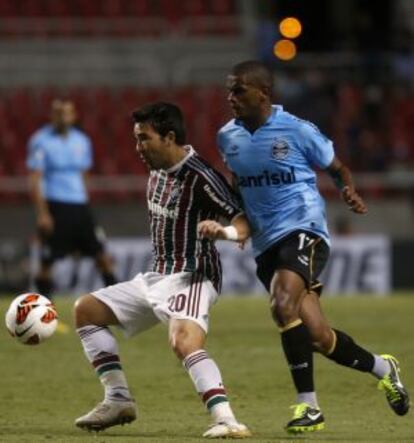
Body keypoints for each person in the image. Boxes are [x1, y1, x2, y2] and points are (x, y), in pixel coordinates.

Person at [198, 60, 410, 434]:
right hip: (265, 242)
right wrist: (238, 223)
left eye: (238, 90)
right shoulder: (226, 136)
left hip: (304, 228)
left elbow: (337, 166)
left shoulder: (296, 129)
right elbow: (238, 183)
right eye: (228, 90)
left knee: (282, 305)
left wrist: (348, 189)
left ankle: (308, 407)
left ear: (263, 93)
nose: (230, 97)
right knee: (317, 336)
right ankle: (383, 368)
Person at [73, 102, 251, 439]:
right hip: (157, 276)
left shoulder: (201, 177)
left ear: (170, 137)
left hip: (194, 275)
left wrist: (224, 232)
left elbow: (243, 222)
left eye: (145, 139)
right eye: (137, 139)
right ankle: (118, 399)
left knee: (182, 339)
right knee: (86, 310)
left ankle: (226, 420)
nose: (138, 147)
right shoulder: (156, 168)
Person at [27, 99, 117, 298]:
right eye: (58, 113)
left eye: (66, 113)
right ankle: (44, 312)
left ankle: (117, 307)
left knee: (102, 256)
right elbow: (35, 179)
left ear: (73, 115)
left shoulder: (82, 141)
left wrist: (85, 200)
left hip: (80, 206)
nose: (62, 117)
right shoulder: (40, 140)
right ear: (52, 115)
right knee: (47, 261)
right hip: (55, 205)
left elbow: (84, 174)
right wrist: (43, 214)